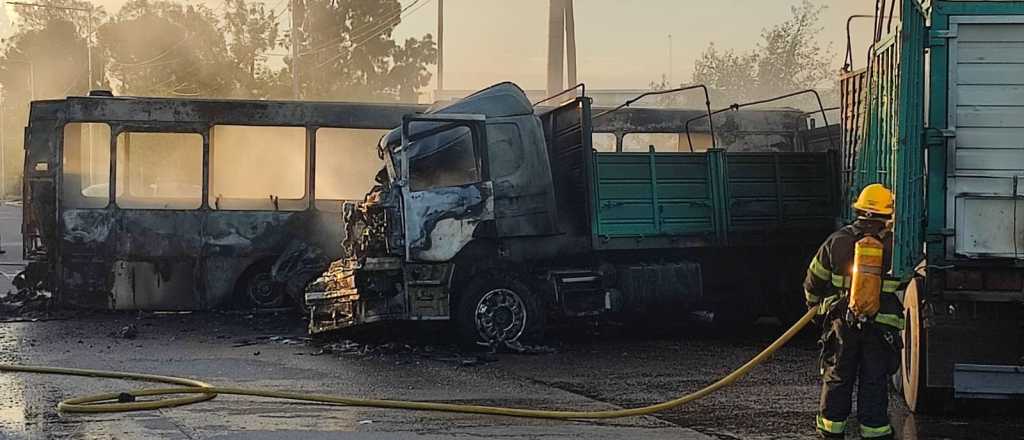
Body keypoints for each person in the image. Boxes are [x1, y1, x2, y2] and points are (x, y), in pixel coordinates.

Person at [803, 183, 907, 439]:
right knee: (874, 380)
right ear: (888, 215)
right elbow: (907, 279)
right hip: (881, 326)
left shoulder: (837, 241)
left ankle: (831, 429)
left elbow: (813, 279)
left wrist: (814, 307)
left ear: (859, 210)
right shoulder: (896, 245)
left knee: (838, 376)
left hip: (843, 323)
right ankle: (875, 431)